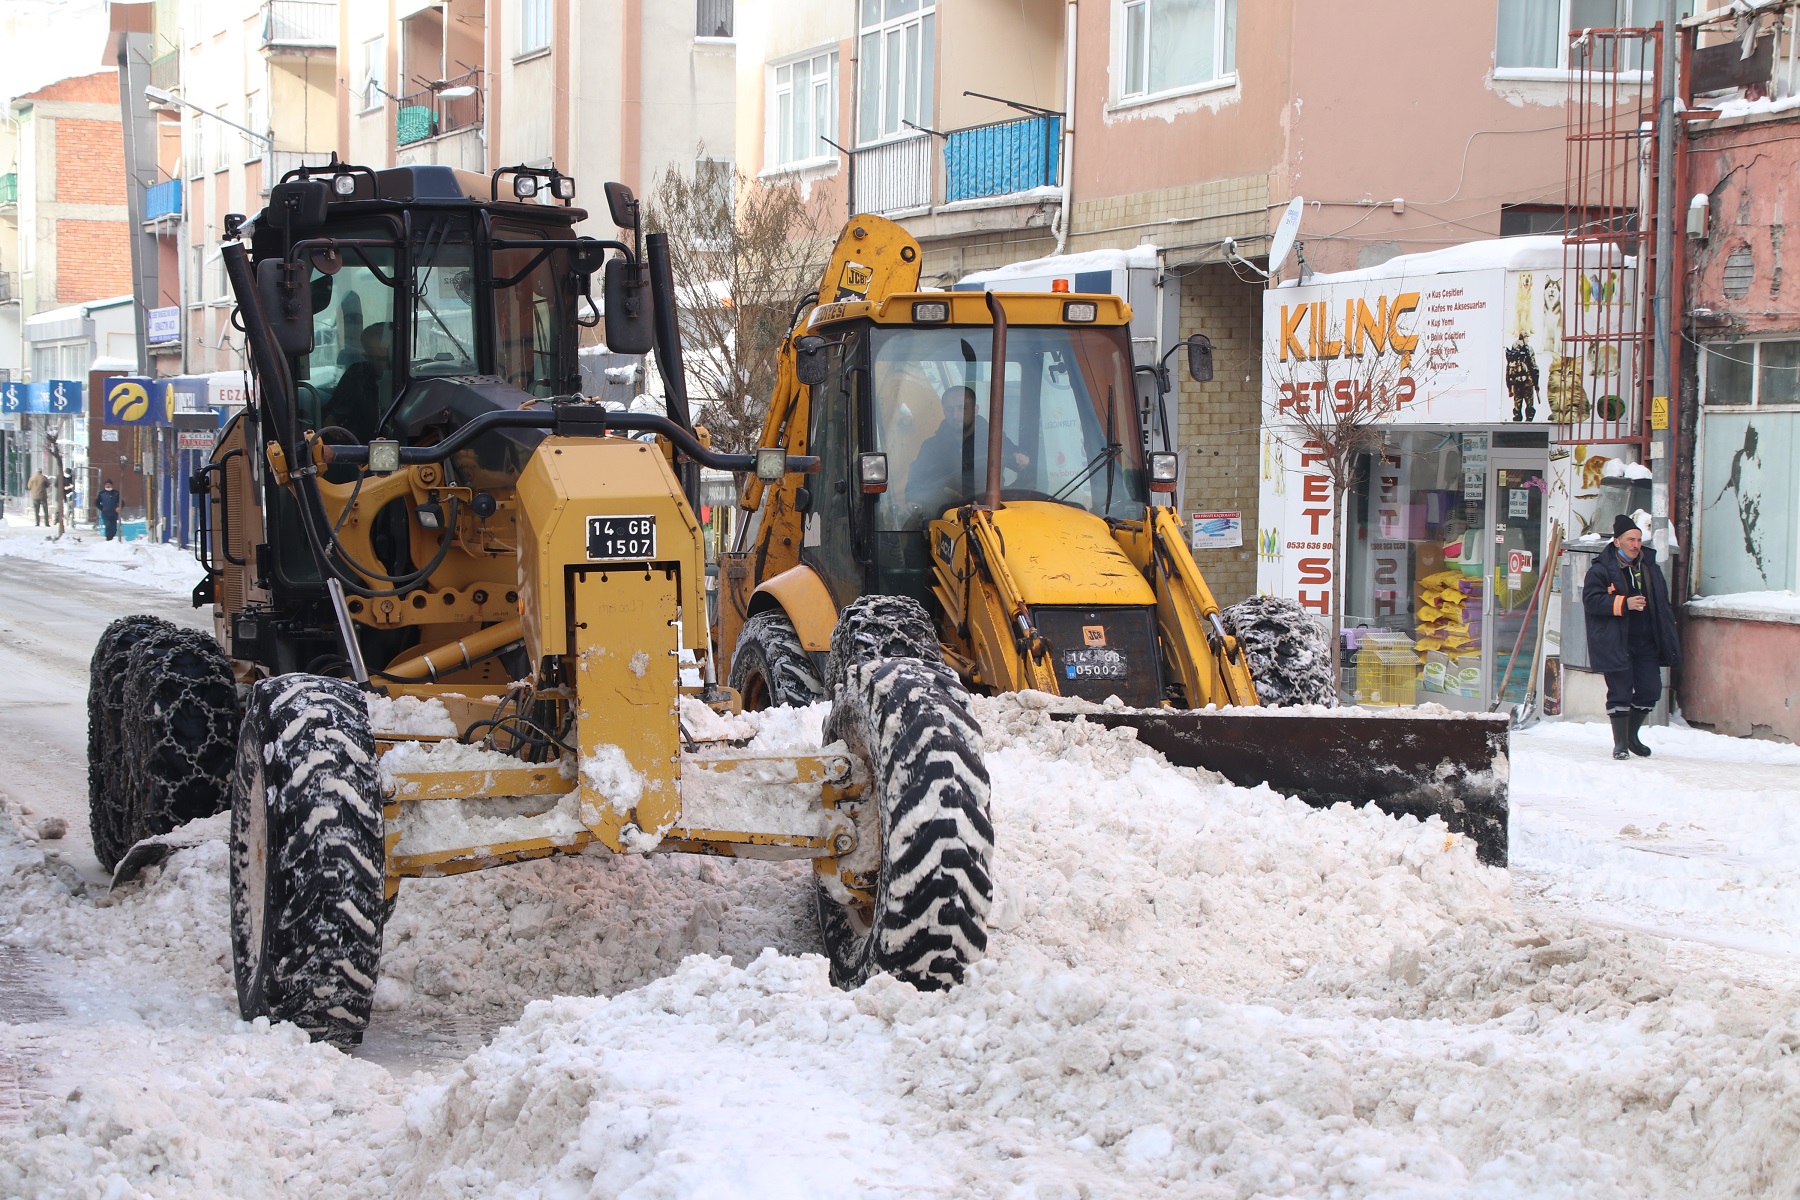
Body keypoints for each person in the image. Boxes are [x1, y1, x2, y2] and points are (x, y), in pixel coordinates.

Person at [1582, 513, 1680, 760]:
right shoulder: (1602, 570)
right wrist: (1624, 603)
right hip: (1616, 641)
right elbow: (1591, 601)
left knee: (1650, 690)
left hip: (1646, 642)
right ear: (1617, 542)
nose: (1636, 545)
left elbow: (1662, 603)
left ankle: (1633, 737)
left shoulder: (1649, 567)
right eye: (1630, 540)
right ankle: (1621, 744)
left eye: (1638, 539)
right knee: (1620, 693)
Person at [905, 385, 1030, 515]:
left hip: (990, 514)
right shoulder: (931, 446)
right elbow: (917, 477)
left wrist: (1020, 458)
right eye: (950, 410)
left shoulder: (994, 440)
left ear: (975, 410)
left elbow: (1015, 457)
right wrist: (913, 499)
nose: (955, 415)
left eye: (962, 408)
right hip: (946, 516)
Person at [324, 322, 392, 441]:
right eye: (370, 356)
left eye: (385, 358)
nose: (388, 364)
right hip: (362, 451)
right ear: (366, 356)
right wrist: (329, 420)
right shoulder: (357, 375)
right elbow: (333, 412)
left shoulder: (416, 381)